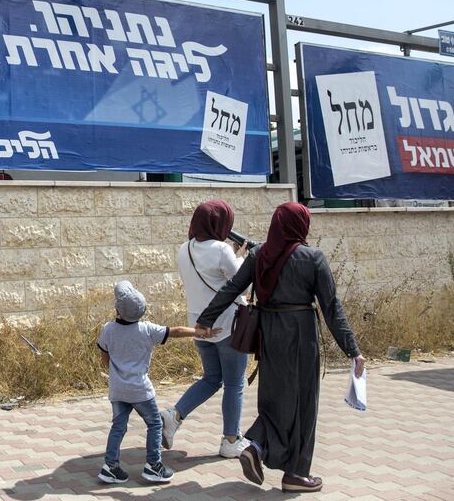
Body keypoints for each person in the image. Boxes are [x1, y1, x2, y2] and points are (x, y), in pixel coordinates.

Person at [196, 202, 366, 493]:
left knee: (273, 397)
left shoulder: (260, 254)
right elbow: (331, 308)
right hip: (300, 335)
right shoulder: (313, 258)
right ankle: (296, 473)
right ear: (301, 225)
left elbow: (232, 287)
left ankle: (258, 446)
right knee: (303, 403)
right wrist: (353, 350)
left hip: (269, 333)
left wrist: (205, 320)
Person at [159, 200, 251, 458]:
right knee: (234, 384)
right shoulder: (222, 250)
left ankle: (173, 416)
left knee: (212, 378)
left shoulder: (183, 249)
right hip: (228, 326)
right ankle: (230, 440)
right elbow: (242, 286)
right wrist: (239, 258)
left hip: (199, 327)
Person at [96, 280, 196, 485]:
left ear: (118, 310)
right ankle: (153, 465)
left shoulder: (108, 329)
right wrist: (198, 331)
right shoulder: (147, 329)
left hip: (118, 389)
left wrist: (114, 372)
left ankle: (110, 466)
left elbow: (104, 354)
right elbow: (175, 331)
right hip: (140, 390)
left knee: (118, 426)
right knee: (155, 423)